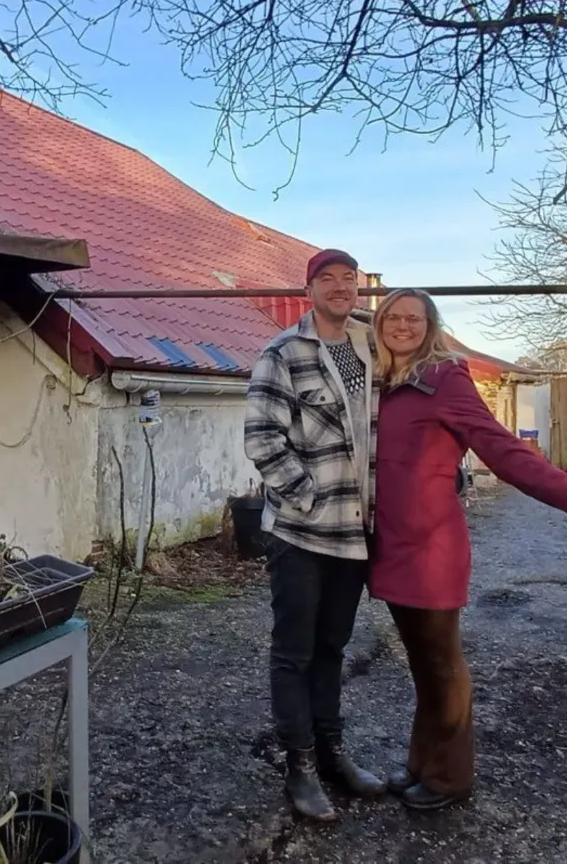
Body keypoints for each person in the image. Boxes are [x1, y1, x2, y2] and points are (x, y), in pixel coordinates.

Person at [369, 289, 567, 810]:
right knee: (420, 663)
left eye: (415, 318)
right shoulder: (383, 383)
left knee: (442, 663)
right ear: (380, 324)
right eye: (393, 317)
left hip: (432, 547)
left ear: (431, 326)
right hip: (391, 544)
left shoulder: (446, 378)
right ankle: (421, 764)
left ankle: (450, 779)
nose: (403, 326)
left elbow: (501, 451)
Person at [244, 248, 386, 821]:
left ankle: (331, 753)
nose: (340, 287)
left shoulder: (372, 347)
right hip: (301, 533)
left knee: (333, 647)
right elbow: (261, 439)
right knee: (295, 652)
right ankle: (299, 767)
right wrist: (309, 497)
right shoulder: (282, 352)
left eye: (349, 280)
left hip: (355, 534)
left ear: (359, 289)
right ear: (309, 291)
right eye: (327, 279)